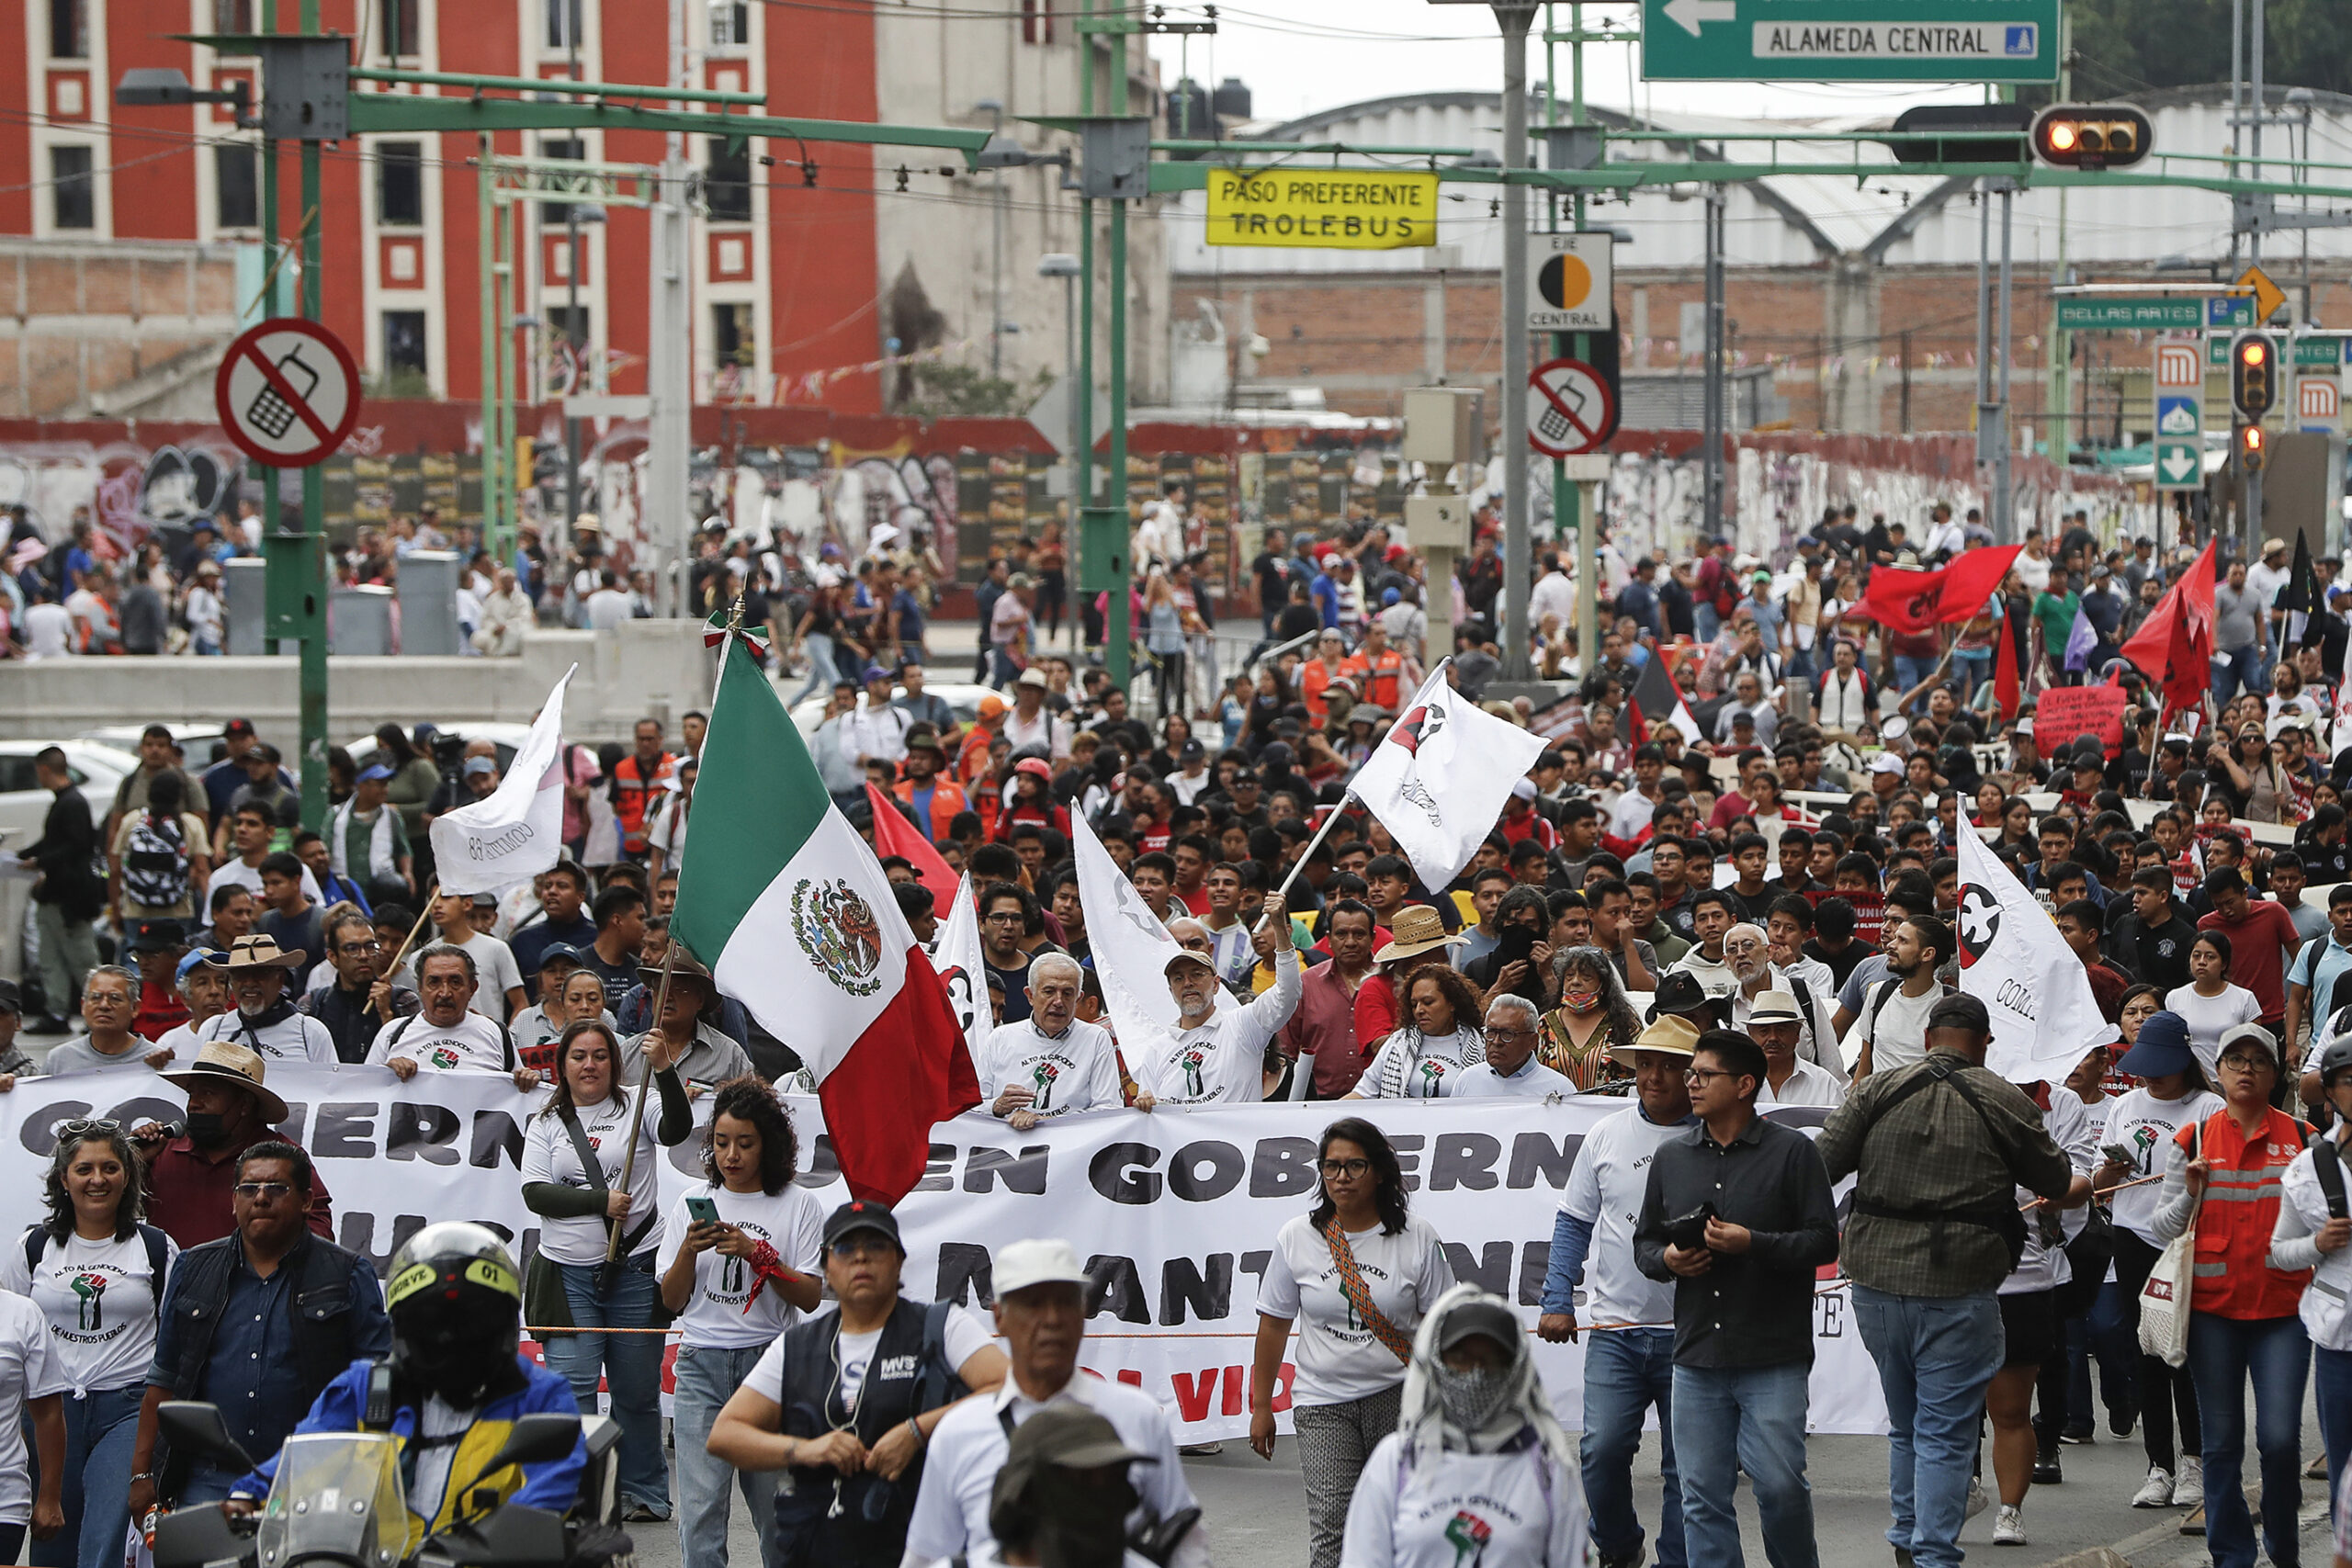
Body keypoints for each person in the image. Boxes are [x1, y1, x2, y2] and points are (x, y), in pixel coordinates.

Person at [1816, 994, 2075, 1568]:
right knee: (1944, 1432)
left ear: (1929, 1036)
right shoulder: (2005, 1098)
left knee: (1907, 1426)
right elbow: (2054, 1179)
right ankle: (1932, 1554)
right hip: (1960, 1284)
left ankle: (1909, 1539)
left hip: (1877, 1281)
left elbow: (1818, 1167)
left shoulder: (1876, 1089)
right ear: (1984, 1042)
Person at [220, 1224, 586, 1532]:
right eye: (434, 1324)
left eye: (471, 1322)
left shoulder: (538, 1395)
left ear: (503, 1326)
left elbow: (552, 1486)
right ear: (403, 1329)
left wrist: (494, 1538)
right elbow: (306, 1455)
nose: (451, 1337)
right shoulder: (366, 1388)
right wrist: (249, 1496)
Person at [707, 1199, 1010, 1568]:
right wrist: (806, 1450)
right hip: (819, 1546)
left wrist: (917, 1431)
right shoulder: (797, 1346)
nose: (861, 1258)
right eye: (846, 1248)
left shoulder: (942, 1325)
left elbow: (1008, 1388)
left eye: (877, 1246)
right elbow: (725, 1434)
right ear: (826, 1268)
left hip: (922, 1546)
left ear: (899, 1261)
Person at [1635, 1030, 1839, 1568]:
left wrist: (1755, 1244)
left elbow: (1824, 1240)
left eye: (1704, 1075)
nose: (1691, 1083)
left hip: (1772, 1351)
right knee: (1700, 1497)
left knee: (1780, 1487)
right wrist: (1669, 1262)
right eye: (1692, 1074)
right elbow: (1646, 1244)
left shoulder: (1795, 1153)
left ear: (1745, 1085)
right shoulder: (1672, 1158)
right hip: (1697, 1353)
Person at [905, 1236, 1205, 1568]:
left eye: (1064, 1303)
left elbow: (1183, 1536)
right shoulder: (958, 1432)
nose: (1051, 1319)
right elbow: (927, 1554)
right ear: (1000, 1318)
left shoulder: (1138, 1416)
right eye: (1033, 1303)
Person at [128, 1141, 390, 1514]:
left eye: (277, 1188)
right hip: (207, 1480)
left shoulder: (346, 1274)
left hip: (316, 1479)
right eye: (249, 1189)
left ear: (306, 1201)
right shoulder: (193, 1268)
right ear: (233, 1201)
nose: (261, 1198)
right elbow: (163, 1381)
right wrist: (142, 1476)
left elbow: (378, 1383)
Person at [1249, 1118, 1454, 1568]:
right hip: (1323, 1402)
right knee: (1333, 1529)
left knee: (1403, 1522)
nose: (1341, 1177)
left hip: (1402, 1398)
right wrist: (1261, 1405)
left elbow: (1444, 1326)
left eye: (1354, 1166)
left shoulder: (1417, 1237)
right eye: (1331, 1167)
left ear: (1379, 1172)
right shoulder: (1297, 1237)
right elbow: (1274, 1324)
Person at [2148, 1023, 2314, 1568]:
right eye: (2235, 1060)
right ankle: (2232, 1557)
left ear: (2275, 1073)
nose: (2246, 1070)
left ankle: (2284, 1551)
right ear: (2218, 1073)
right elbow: (2163, 1227)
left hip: (2284, 1312)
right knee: (2220, 1445)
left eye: (2258, 1061)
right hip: (2213, 1313)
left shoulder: (2304, 1139)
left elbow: (2326, 1220)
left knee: (2280, 1441)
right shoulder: (2193, 1141)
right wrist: (2191, 1193)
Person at [1540, 1013, 1700, 1568]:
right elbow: (1573, 1221)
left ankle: (1675, 1559)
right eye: (1645, 1065)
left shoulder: (1715, 1135)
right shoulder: (1605, 1133)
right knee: (1602, 1452)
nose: (1653, 1077)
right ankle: (1618, 1546)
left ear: (1694, 1076)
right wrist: (1557, 1297)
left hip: (1695, 1334)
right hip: (1617, 1329)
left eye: (1670, 1067)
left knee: (1690, 1466)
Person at [521, 1019, 692, 1522]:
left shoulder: (638, 1102)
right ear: (563, 1065)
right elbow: (535, 1193)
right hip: (568, 1275)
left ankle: (643, 1492)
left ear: (614, 1064)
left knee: (636, 1392)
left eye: (599, 1055)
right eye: (578, 1056)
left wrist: (663, 1069)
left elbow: (677, 1129)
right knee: (571, 1389)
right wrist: (601, 1201)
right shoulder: (545, 1122)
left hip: (636, 1271)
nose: (589, 1065)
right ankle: (573, 1495)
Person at [655, 1078, 826, 1568]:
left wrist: (760, 1256)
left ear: (768, 1144)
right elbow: (672, 1300)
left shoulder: (798, 1205)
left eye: (745, 1143)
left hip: (770, 1369)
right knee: (701, 1513)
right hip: (700, 1365)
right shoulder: (691, 1201)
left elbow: (811, 1297)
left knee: (777, 1516)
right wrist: (689, 1249)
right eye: (721, 1142)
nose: (731, 1155)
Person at [0, 1123, 175, 1568]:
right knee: (50, 1532)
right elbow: (14, 1329)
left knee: (106, 1534)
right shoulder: (34, 1248)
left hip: (128, 1407)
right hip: (49, 1411)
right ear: (64, 1179)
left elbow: (176, 1336)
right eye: (84, 1169)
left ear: (127, 1177)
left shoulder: (155, 1247)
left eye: (110, 1168)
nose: (97, 1179)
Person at [1340, 1287, 1592, 1568]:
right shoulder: (1397, 1461)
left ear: (1516, 1369)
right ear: (1434, 1361)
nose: (1475, 1374)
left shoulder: (1547, 1468)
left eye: (1492, 1361)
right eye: (1460, 1359)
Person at [2097, 1009, 2217, 1508]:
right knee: (2145, 1348)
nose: (2152, 1077)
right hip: (2131, 1236)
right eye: (2146, 1066)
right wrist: (2110, 1171)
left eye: (2163, 1066)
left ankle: (2195, 1460)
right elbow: (2103, 1189)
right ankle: (2158, 1466)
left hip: (2187, 1240)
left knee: (2183, 1352)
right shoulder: (2124, 1106)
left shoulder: (2208, 1108)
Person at [132, 1042, 334, 1248]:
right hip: (171, 1279)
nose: (194, 1103)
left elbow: (319, 1233)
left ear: (245, 1104)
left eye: (208, 1094)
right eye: (192, 1093)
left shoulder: (282, 1158)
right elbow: (112, 1222)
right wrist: (135, 1165)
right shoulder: (162, 1152)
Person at [1137, 896, 1301, 1106]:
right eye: (1178, 978)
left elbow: (1288, 993)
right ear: (1171, 990)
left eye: (1196, 974)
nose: (1187, 983)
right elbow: (1151, 1119)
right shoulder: (1156, 1050)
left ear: (1216, 984)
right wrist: (1145, 1103)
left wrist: (1279, 929)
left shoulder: (1244, 1025)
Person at [367, 943, 540, 1088]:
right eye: (434, 982)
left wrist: (527, 1080)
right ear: (419, 987)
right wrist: (386, 1073)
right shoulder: (392, 1033)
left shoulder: (496, 1033)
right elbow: (365, 1091)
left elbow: (517, 1093)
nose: (444, 993)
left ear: (472, 988)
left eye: (455, 982)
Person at [977, 954, 1121, 1127]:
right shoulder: (1000, 1038)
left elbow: (1110, 1109)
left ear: (1078, 998)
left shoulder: (1096, 1039)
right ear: (1030, 995)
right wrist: (998, 1106)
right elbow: (971, 1109)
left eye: (1067, 993)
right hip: (1008, 1149)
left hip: (1071, 1149)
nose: (1058, 1001)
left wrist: (1049, 1124)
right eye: (1049, 992)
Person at [25, 748, 103, 1032]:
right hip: (54, 895)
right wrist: (27, 857)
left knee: (83, 959)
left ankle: (99, 1009)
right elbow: (52, 841)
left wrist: (40, 861)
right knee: (51, 958)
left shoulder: (72, 803)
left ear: (45, 770)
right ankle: (55, 1012)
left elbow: (75, 845)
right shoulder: (63, 802)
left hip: (72, 898)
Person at [191, 933, 338, 1062]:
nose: (249, 982)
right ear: (231, 982)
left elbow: (330, 1088)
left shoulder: (310, 1033)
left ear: (280, 979)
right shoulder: (212, 1030)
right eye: (240, 974)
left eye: (261, 973)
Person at [1347, 965, 1487, 1099]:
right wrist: (1327, 1112)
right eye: (1414, 1004)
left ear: (1452, 1004)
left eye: (1428, 1002)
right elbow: (1363, 1092)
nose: (1419, 1010)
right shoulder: (1398, 1044)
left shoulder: (1480, 1047)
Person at [300, 908, 418, 1065]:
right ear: (332, 957)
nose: (363, 956)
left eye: (370, 947)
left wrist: (387, 1014)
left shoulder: (404, 1001)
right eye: (352, 949)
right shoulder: (313, 1005)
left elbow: (414, 1055)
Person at [2168, 931, 2263, 1077]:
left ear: (2224, 964)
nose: (2202, 962)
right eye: (2196, 956)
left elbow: (2255, 1046)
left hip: (2231, 1081)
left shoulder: (2244, 998)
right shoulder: (2175, 997)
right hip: (2188, 1081)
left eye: (2210, 957)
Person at [1453, 993, 1575, 1097]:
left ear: (1532, 1041)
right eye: (1490, 1032)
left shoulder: (1559, 1088)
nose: (1496, 1042)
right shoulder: (1468, 1080)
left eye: (1507, 1034)